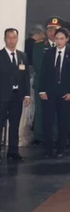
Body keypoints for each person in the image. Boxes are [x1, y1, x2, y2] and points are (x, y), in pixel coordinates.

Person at [0, 28, 30, 161]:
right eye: (9, 37)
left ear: (17, 39)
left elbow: (26, 77)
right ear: (4, 39)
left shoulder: (22, 56)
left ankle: (13, 151)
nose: (12, 40)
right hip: (1, 96)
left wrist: (27, 95)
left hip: (17, 95)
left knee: (15, 124)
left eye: (14, 37)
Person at [38, 27, 70, 158]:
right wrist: (41, 90)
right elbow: (43, 72)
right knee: (47, 121)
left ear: (67, 39)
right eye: (57, 38)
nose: (59, 41)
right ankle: (48, 148)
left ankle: (61, 148)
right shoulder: (49, 53)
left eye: (62, 39)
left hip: (65, 93)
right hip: (49, 92)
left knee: (63, 121)